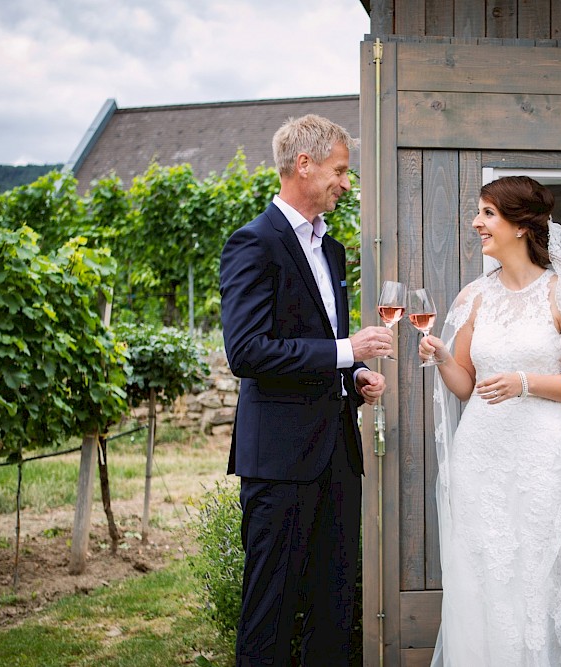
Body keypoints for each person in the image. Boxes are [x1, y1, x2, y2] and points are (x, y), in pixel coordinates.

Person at [219, 114, 393, 666]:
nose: (346, 182)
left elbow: (313, 344)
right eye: (340, 171)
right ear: (304, 164)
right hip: (279, 463)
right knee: (269, 612)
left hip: (338, 457)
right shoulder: (253, 244)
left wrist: (352, 378)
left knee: (334, 609)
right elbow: (247, 352)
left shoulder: (332, 249)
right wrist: (348, 352)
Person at [418, 175, 561, 666]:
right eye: (479, 213)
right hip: (480, 453)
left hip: (539, 455)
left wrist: (525, 382)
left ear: (521, 226)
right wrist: (440, 356)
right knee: (479, 574)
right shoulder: (473, 297)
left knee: (529, 578)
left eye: (488, 214)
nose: (477, 223)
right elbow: (465, 384)